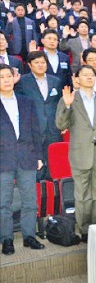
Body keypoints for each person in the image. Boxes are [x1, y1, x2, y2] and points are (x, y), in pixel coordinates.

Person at [55, 65, 96, 242]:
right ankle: (83, 229)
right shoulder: (69, 99)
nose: (90, 77)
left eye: (92, 74)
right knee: (82, 195)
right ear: (77, 79)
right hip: (80, 153)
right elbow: (60, 125)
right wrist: (66, 105)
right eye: (85, 75)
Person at [0, 64, 45, 255]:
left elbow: (37, 131)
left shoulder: (27, 102)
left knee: (30, 200)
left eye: (8, 76)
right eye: (1, 77)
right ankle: (7, 239)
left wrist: (39, 156)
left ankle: (29, 236)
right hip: (3, 160)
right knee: (4, 203)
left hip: (27, 156)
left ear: (14, 77)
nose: (6, 80)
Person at [15, 50, 63, 178]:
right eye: (37, 62)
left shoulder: (56, 81)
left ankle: (53, 194)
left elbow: (60, 104)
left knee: (53, 166)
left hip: (53, 128)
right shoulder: (22, 82)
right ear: (30, 65)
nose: (41, 65)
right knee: (37, 168)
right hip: (32, 129)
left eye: (43, 62)